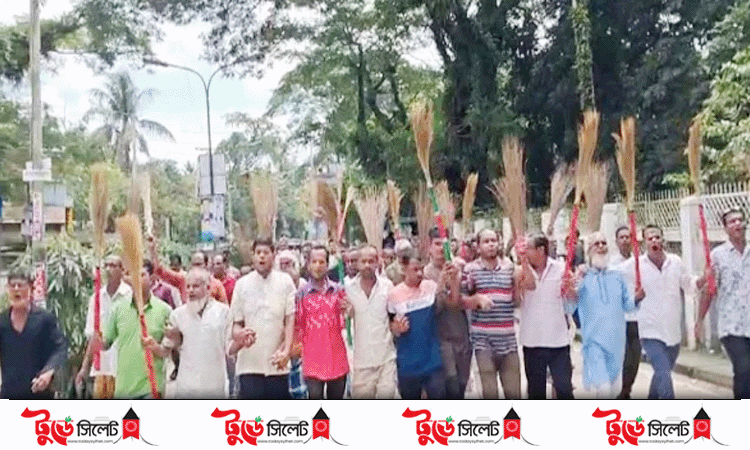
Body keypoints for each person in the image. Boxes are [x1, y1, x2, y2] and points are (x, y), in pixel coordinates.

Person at [563, 232, 644, 398]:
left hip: (616, 344)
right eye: (596, 244)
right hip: (594, 343)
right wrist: (570, 291)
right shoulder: (582, 276)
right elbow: (570, 307)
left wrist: (636, 298)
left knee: (615, 391)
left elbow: (627, 306)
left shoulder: (617, 276)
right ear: (589, 250)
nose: (601, 246)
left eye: (603, 243)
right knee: (604, 389)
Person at [619, 225, 695, 399]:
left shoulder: (675, 262)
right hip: (650, 332)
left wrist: (703, 280)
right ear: (644, 242)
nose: (654, 240)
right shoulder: (636, 264)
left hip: (673, 332)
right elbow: (612, 274)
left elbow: (689, 285)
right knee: (663, 372)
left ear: (663, 240)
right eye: (650, 238)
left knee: (662, 373)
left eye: (657, 237)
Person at [93, 260, 172, 399]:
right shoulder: (118, 309)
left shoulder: (164, 311)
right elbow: (105, 344)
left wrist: (156, 348)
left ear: (152, 279)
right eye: (133, 275)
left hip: (152, 388)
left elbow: (168, 351)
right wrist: (97, 338)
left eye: (142, 275)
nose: (137, 280)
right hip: (124, 388)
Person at [460, 229, 524, 399]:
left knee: (514, 394)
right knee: (490, 395)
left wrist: (519, 284)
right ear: (478, 246)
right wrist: (476, 300)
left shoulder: (510, 268)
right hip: (483, 343)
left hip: (509, 341)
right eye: (486, 241)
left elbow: (517, 301)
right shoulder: (470, 270)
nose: (491, 244)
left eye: (494, 240)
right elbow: (460, 300)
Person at [230, 238, 296, 399]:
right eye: (258, 253)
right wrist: (240, 335)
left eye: (266, 253)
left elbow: (290, 320)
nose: (262, 257)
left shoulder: (285, 282)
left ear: (273, 255)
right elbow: (236, 324)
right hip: (249, 365)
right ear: (253, 256)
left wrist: (286, 351)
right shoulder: (241, 285)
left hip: (277, 363)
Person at [696, 207, 750, 399]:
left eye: (740, 220)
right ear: (725, 229)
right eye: (732, 221)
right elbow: (708, 291)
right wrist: (700, 320)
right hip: (731, 325)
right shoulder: (717, 255)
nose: (737, 224)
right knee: (744, 368)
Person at [519, 233, 574, 400]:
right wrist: (523, 264)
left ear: (540, 250)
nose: (524, 251)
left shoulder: (561, 269)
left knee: (564, 389)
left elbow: (572, 298)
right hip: (532, 341)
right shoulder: (520, 271)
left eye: (527, 248)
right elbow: (526, 288)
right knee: (536, 392)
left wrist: (570, 288)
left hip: (558, 341)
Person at [165, 268, 233, 399]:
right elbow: (167, 349)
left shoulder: (223, 312)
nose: (190, 290)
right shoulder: (177, 315)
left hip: (215, 386)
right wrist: (172, 341)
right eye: (188, 286)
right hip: (186, 386)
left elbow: (230, 349)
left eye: (195, 286)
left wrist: (240, 341)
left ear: (208, 288)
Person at [0, 271, 67, 399]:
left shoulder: (44, 319)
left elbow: (60, 348)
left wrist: (48, 372)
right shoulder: (2, 321)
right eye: (12, 286)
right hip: (9, 394)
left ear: (31, 288)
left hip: (39, 394)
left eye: (20, 285)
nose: (16, 289)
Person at [293, 246, 349, 399]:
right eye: (314, 262)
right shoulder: (301, 294)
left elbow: (347, 322)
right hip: (313, 358)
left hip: (337, 357)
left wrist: (349, 310)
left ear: (327, 264)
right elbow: (298, 326)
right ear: (308, 264)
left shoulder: (338, 291)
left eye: (322, 262)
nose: (318, 265)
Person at [388, 252, 446, 400]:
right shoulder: (394, 295)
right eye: (415, 270)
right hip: (408, 363)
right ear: (404, 269)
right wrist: (396, 328)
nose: (420, 273)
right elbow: (389, 325)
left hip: (432, 360)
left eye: (421, 269)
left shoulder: (431, 287)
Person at [423, 228, 471, 399]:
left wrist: (457, 280)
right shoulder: (424, 274)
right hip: (441, 341)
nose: (440, 249)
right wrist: (442, 282)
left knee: (461, 388)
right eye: (436, 245)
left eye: (444, 245)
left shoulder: (462, 268)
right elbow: (433, 310)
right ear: (428, 247)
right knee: (448, 391)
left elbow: (467, 300)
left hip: (462, 338)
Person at [345, 245, 397, 399]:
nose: (367, 265)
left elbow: (394, 317)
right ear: (357, 263)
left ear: (377, 262)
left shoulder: (387, 286)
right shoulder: (347, 289)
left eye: (371, 261)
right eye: (363, 261)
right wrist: (348, 313)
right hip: (361, 363)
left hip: (386, 360)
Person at [77, 255, 132, 399]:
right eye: (106, 266)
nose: (109, 269)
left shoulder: (130, 296)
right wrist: (84, 367)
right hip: (102, 367)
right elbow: (94, 335)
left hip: (125, 367)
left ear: (122, 270)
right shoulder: (96, 298)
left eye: (113, 266)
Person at [609, 226, 640, 400]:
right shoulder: (612, 264)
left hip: (638, 318)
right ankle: (621, 393)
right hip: (620, 318)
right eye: (622, 237)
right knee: (625, 358)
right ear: (616, 241)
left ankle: (626, 390)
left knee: (634, 360)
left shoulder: (641, 262)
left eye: (629, 237)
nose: (625, 240)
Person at [149, 238, 228, 304]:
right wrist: (152, 250)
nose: (196, 268)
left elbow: (225, 311)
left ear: (206, 265)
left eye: (198, 264)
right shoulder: (183, 280)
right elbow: (160, 271)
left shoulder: (216, 285)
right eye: (193, 265)